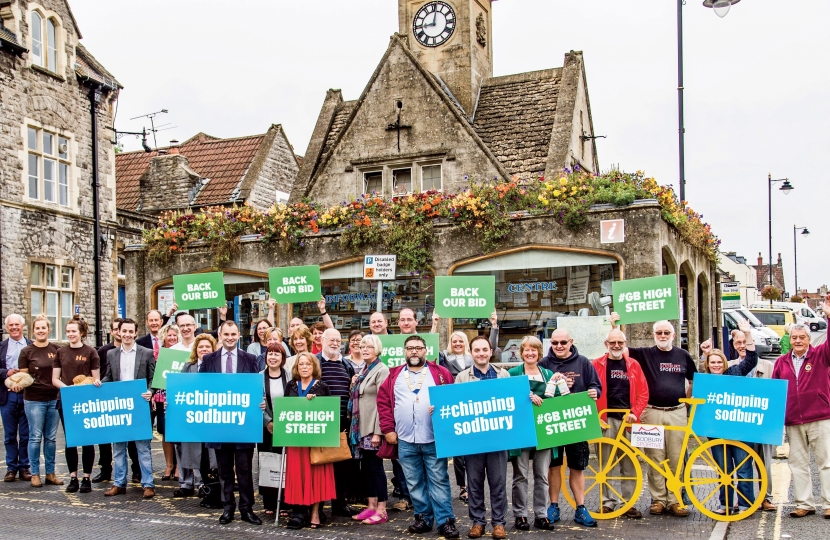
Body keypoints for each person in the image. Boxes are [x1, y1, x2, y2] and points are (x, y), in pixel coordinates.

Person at [610, 313, 697, 517]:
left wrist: (687, 401)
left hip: (677, 412)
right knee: (654, 458)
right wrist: (615, 325)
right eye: (659, 332)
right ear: (653, 334)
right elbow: (618, 348)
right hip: (651, 412)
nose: (663, 335)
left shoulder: (683, 355)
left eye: (667, 332)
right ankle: (658, 500)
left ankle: (675, 500)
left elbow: (694, 380)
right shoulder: (645, 353)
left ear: (674, 334)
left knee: (676, 458)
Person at [377, 335, 459, 538]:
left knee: (438, 480)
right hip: (405, 439)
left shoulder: (440, 373)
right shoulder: (394, 375)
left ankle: (445, 522)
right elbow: (384, 403)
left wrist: (442, 412)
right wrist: (388, 429)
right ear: (405, 352)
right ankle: (422, 518)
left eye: (418, 348)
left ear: (426, 351)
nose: (414, 351)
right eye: (410, 348)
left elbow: (452, 399)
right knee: (414, 482)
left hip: (433, 438)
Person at [772, 299, 830, 519]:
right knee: (798, 464)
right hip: (793, 420)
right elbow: (775, 393)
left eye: (802, 337)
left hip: (820, 416)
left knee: (826, 463)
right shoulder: (781, 362)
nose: (798, 341)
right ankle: (804, 503)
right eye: (794, 337)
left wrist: (829, 317)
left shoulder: (821, 356)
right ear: (790, 339)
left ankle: (828, 503)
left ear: (809, 340)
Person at [199, 320, 261, 525]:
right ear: (220, 334)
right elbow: (200, 389)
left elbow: (256, 388)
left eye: (233, 334)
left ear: (238, 336)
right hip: (219, 424)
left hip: (243, 424)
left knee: (244, 469)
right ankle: (228, 508)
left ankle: (247, 509)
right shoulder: (208, 360)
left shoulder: (251, 359)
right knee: (224, 470)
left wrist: (259, 403)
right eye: (226, 334)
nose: (230, 338)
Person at [539, 328, 601, 527]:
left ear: (571, 342)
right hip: (553, 424)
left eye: (563, 343)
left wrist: (594, 392)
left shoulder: (583, 362)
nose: (558, 346)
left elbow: (596, 386)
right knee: (553, 467)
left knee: (577, 467)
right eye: (555, 343)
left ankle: (581, 508)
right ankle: (554, 506)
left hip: (577, 424)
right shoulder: (544, 364)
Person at [454, 336, 510, 539]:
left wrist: (528, 397)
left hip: (498, 440)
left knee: (498, 482)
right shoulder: (462, 377)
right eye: (477, 350)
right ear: (471, 352)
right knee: (474, 483)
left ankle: (499, 523)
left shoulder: (503, 375)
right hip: (473, 440)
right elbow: (454, 406)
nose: (481, 353)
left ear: (491, 351)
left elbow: (513, 402)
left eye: (484, 349)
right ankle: (477, 522)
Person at [701, 320, 759, 515]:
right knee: (723, 471)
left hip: (740, 430)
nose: (716, 365)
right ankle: (725, 505)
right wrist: (704, 353)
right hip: (716, 433)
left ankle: (744, 505)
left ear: (724, 363)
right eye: (712, 362)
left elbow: (751, 361)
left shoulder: (735, 372)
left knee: (743, 469)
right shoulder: (704, 381)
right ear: (708, 365)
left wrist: (747, 334)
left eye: (719, 362)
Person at [591, 328, 649, 518]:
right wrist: (595, 417)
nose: (616, 346)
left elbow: (643, 393)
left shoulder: (634, 365)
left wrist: (635, 413)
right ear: (606, 344)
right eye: (612, 343)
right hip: (605, 420)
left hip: (629, 421)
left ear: (625, 344)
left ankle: (629, 503)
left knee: (630, 464)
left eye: (620, 343)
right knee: (605, 464)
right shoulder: (596, 365)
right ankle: (608, 502)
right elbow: (589, 394)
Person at [102, 318, 155, 499]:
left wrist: (150, 391)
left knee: (143, 448)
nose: (126, 334)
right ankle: (119, 483)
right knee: (118, 448)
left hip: (139, 406)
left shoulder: (146, 353)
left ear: (135, 333)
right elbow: (109, 377)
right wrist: (98, 384)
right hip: (119, 407)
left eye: (130, 331)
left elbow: (152, 378)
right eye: (123, 331)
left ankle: (148, 484)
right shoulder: (111, 354)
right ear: (118, 332)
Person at [284, 352, 337, 529]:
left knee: (316, 477)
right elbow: (285, 409)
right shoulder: (290, 386)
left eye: (308, 364)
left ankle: (315, 512)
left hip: (316, 442)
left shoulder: (322, 387)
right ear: (296, 368)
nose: (304, 367)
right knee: (297, 476)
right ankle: (298, 513)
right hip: (295, 441)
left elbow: (329, 413)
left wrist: (316, 403)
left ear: (314, 367)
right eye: (301, 364)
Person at [508, 336, 556, 530]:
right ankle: (520, 515)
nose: (530, 353)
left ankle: (541, 515)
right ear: (521, 353)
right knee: (520, 475)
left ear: (539, 353)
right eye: (526, 350)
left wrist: (560, 384)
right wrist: (524, 398)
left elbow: (557, 402)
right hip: (521, 430)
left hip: (543, 431)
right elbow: (506, 400)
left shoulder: (548, 374)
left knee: (542, 475)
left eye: (534, 350)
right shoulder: (512, 374)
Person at [727, 332, 777, 512]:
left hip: (762, 423)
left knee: (764, 463)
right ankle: (744, 499)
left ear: (752, 344)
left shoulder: (769, 366)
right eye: (738, 342)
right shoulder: (729, 365)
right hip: (739, 425)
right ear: (733, 345)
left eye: (745, 342)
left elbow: (777, 392)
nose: (742, 345)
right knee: (742, 464)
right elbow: (710, 374)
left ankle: (766, 497)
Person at [52, 317, 101, 493]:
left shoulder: (91, 352)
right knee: (71, 440)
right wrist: (69, 390)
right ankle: (73, 477)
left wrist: (93, 383)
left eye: (74, 331)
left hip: (86, 401)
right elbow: (54, 379)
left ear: (81, 333)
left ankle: (86, 477)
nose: (71, 334)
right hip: (65, 400)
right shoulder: (61, 352)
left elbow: (96, 379)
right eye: (68, 331)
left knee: (87, 440)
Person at [13, 315, 61, 488]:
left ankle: (50, 473)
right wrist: (17, 384)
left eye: (44, 328)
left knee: (51, 438)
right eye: (38, 328)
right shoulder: (26, 352)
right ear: (33, 331)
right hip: (34, 400)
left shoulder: (57, 349)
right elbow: (24, 377)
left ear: (49, 330)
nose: (41, 331)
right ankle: (35, 473)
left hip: (54, 399)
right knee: (34, 437)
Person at [347, 334, 390, 525]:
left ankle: (381, 509)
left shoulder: (382, 370)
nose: (364, 349)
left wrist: (378, 432)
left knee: (376, 468)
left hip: (373, 428)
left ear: (377, 350)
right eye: (362, 346)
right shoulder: (364, 370)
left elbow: (384, 403)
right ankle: (371, 506)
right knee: (366, 469)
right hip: (361, 428)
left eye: (369, 347)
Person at [317, 328, 359, 517]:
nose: (334, 343)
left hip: (343, 422)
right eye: (330, 340)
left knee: (341, 465)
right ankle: (317, 506)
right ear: (322, 341)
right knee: (320, 464)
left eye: (337, 340)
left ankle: (339, 503)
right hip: (322, 421)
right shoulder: (315, 362)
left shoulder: (347, 364)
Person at [174, 333, 217, 498]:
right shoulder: (188, 367)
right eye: (201, 347)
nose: (204, 349)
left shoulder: (216, 367)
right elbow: (179, 388)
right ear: (196, 349)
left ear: (213, 349)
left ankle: (202, 484)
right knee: (188, 449)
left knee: (206, 452)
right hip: (190, 416)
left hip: (210, 415)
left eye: (207, 346)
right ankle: (186, 483)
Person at [259, 342, 290, 516]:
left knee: (284, 463)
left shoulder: (290, 376)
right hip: (266, 428)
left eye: (277, 354)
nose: (272, 357)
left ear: (282, 358)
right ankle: (269, 502)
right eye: (270, 353)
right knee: (266, 461)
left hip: (285, 427)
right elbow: (257, 404)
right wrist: (268, 422)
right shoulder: (258, 377)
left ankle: (284, 501)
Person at [0, 314, 32, 482]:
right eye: (10, 325)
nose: (14, 327)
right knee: (10, 435)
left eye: (16, 325)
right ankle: (11, 468)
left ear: (22, 326)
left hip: (27, 396)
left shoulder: (31, 346)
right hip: (8, 396)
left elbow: (37, 370)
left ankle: (25, 467)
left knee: (26, 434)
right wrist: (7, 373)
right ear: (7, 328)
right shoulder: (1, 346)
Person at [442, 331, 473, 504]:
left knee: (472, 450)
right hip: (455, 404)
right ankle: (463, 487)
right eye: (454, 341)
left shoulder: (473, 356)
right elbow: (430, 349)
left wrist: (494, 327)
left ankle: (473, 485)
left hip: (471, 403)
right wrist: (435, 325)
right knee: (459, 453)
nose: (458, 343)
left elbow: (491, 347)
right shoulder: (446, 357)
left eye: (461, 340)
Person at [92, 318, 123, 483]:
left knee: (128, 437)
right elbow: (99, 373)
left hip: (125, 397)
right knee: (104, 438)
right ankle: (105, 470)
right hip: (106, 396)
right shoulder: (103, 351)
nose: (119, 332)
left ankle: (136, 471)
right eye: (116, 329)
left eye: (121, 328)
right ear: (112, 332)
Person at [154, 323, 180, 481]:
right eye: (169, 335)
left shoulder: (183, 353)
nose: (171, 338)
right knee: (165, 432)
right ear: (164, 337)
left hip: (178, 398)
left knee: (178, 431)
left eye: (174, 335)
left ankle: (178, 466)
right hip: (161, 397)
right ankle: (169, 464)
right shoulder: (157, 354)